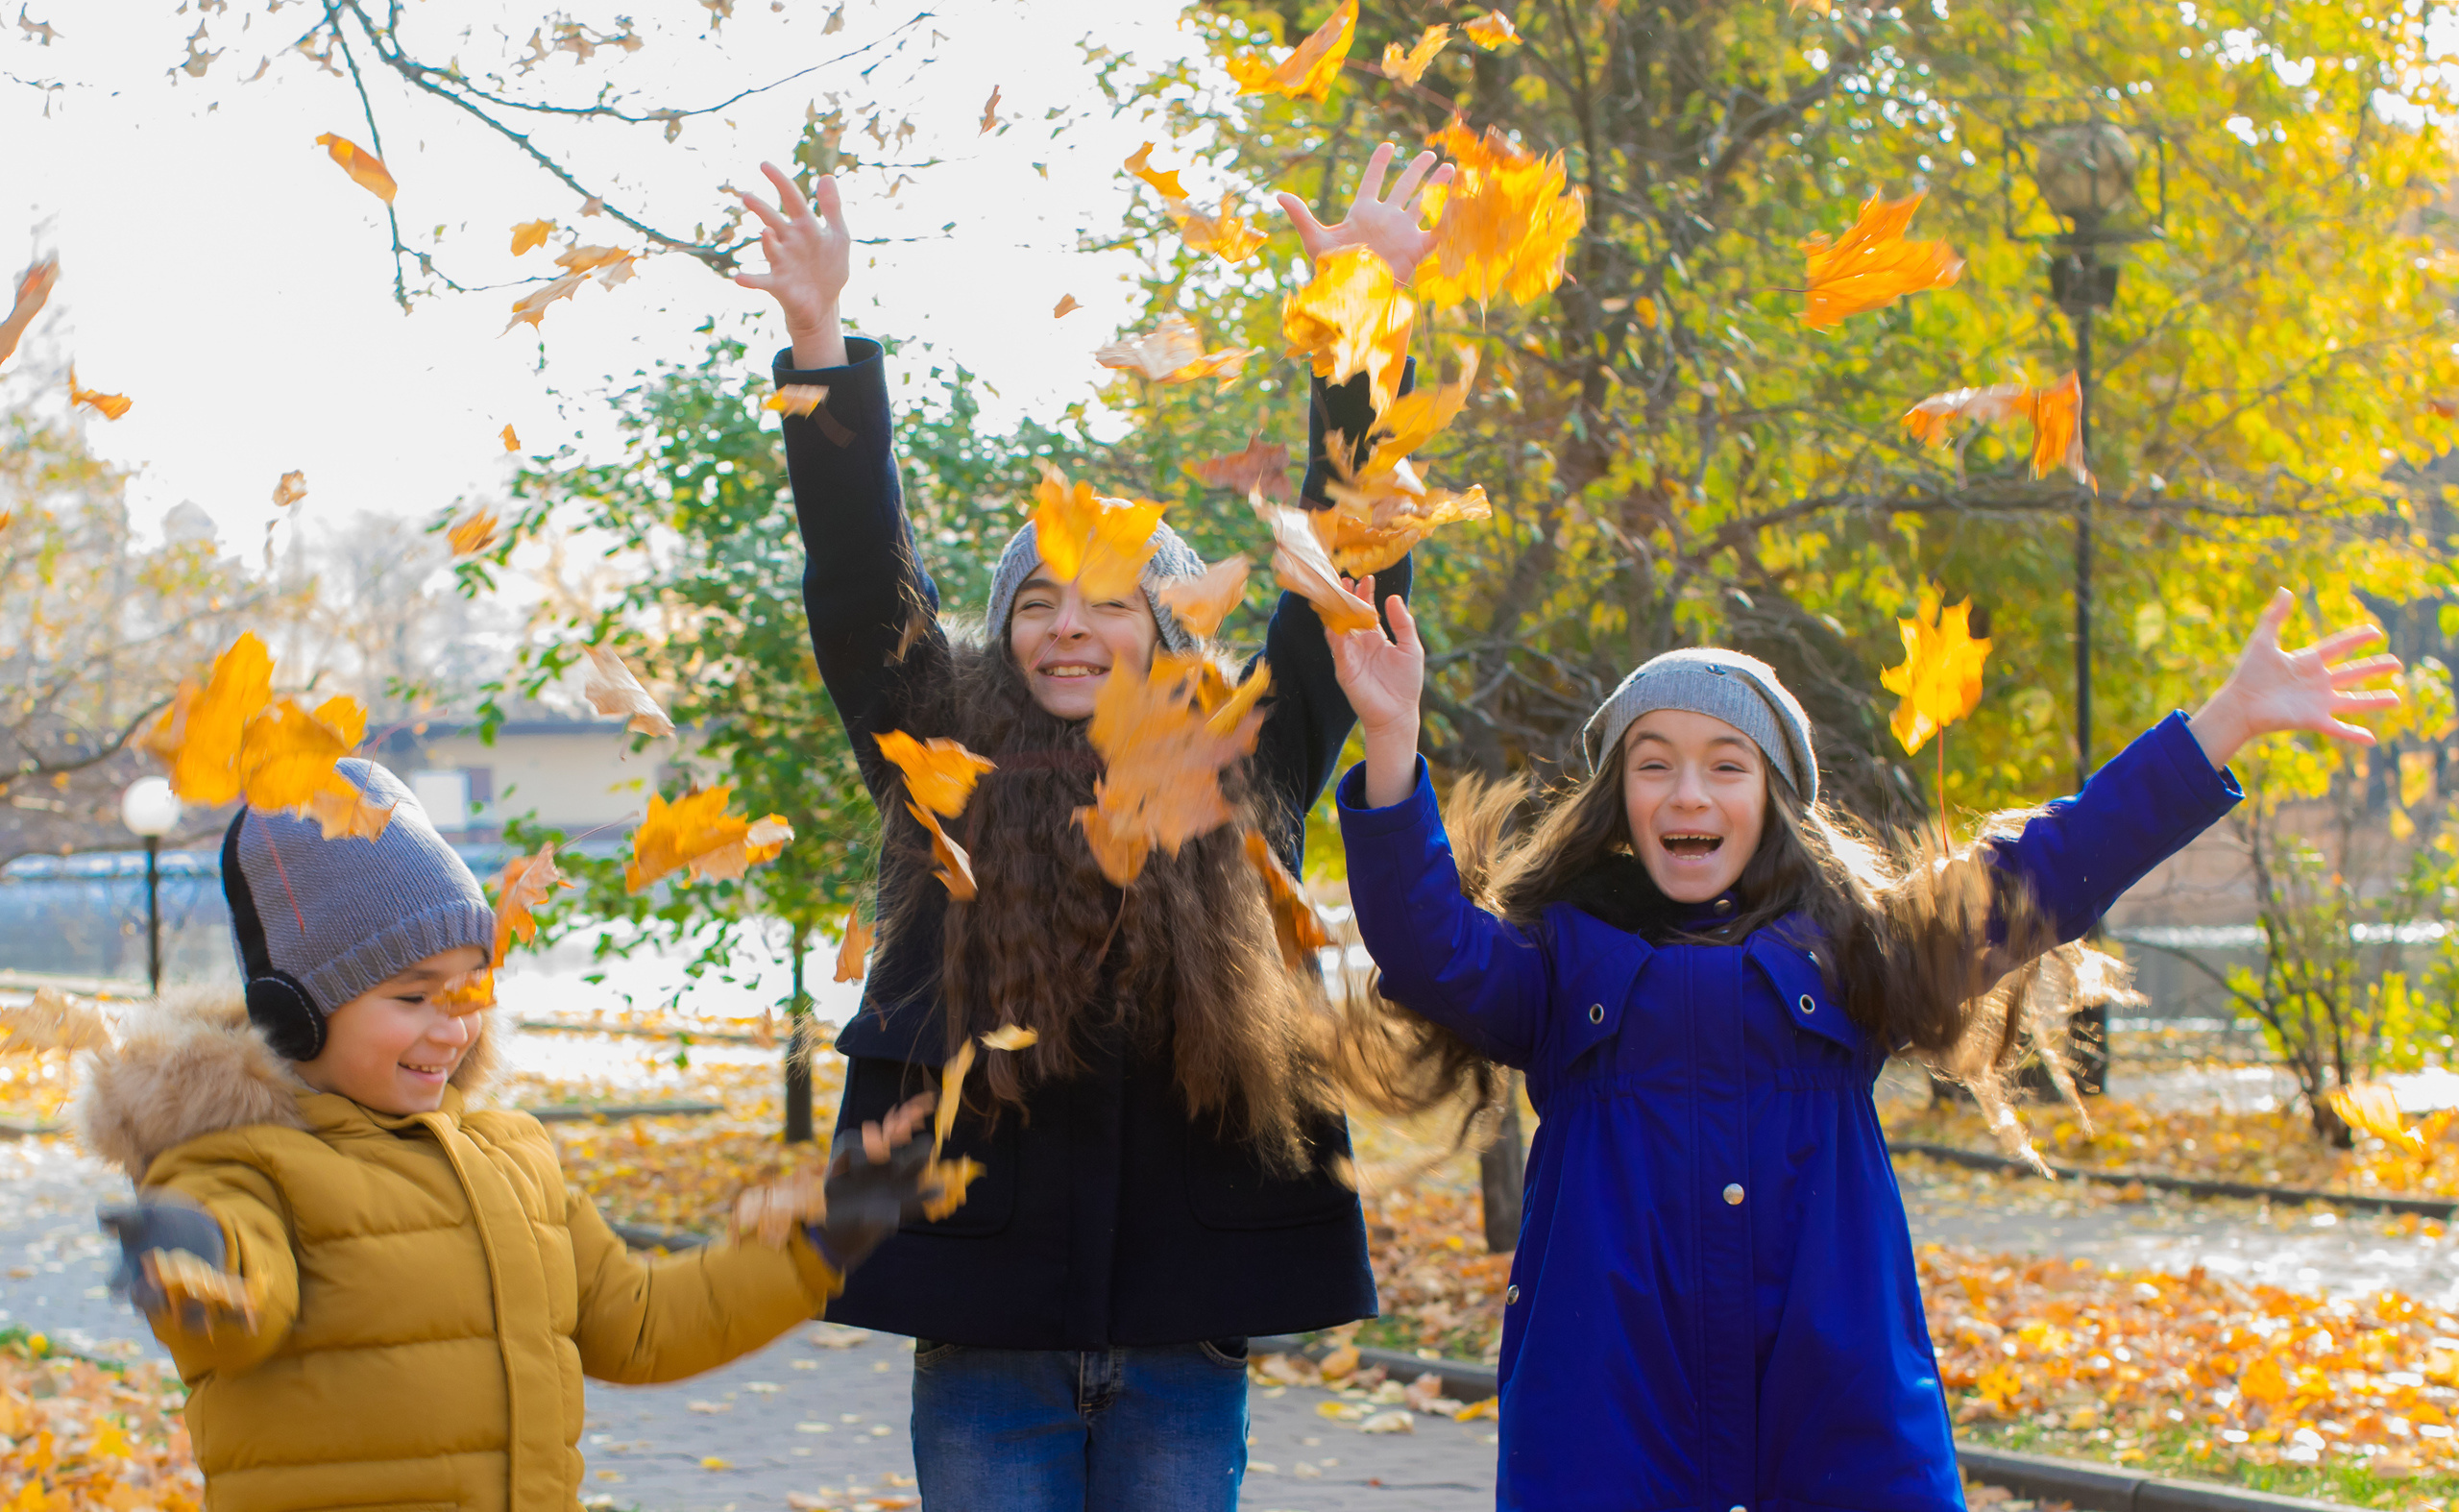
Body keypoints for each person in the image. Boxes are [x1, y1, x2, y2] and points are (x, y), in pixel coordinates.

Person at [1324, 589, 2399, 1509]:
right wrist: (1389, 735)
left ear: (1774, 798)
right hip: (1608, 1385)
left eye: (1724, 766)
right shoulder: (1558, 960)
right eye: (1653, 767)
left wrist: (2224, 721)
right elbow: (1427, 945)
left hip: (1832, 1376)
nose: (1688, 794)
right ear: (1618, 801)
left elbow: (2054, 862)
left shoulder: (1858, 945)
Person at [730, 143, 1453, 1510]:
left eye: (1111, 600)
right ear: (1002, 628)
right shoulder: (938, 749)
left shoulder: (1255, 746)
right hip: (983, 1321)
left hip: (1186, 1323)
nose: (1072, 626)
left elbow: (1353, 566)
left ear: (1169, 626)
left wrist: (1363, 319)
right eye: (1040, 600)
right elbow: (855, 573)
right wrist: (818, 344)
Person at [74, 758, 944, 1512]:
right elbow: (239, 1306)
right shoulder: (240, 1160)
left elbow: (640, 1326)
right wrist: (195, 1262)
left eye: (467, 991)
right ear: (294, 1014)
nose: (449, 1028)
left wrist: (815, 1244)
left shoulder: (510, 1157)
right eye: (413, 997)